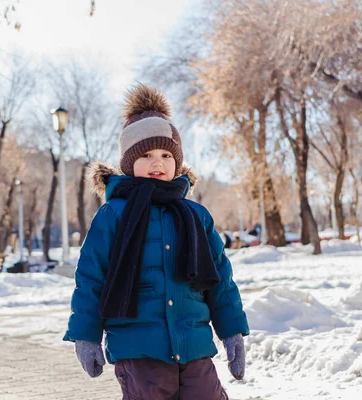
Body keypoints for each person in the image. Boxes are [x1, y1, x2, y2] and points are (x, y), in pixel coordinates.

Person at [64, 84, 249, 400]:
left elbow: (220, 281)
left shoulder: (195, 215)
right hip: (139, 350)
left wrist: (232, 331)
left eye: (166, 154)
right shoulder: (114, 215)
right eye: (146, 155)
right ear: (129, 161)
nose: (157, 163)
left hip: (194, 345)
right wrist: (87, 336)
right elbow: (91, 278)